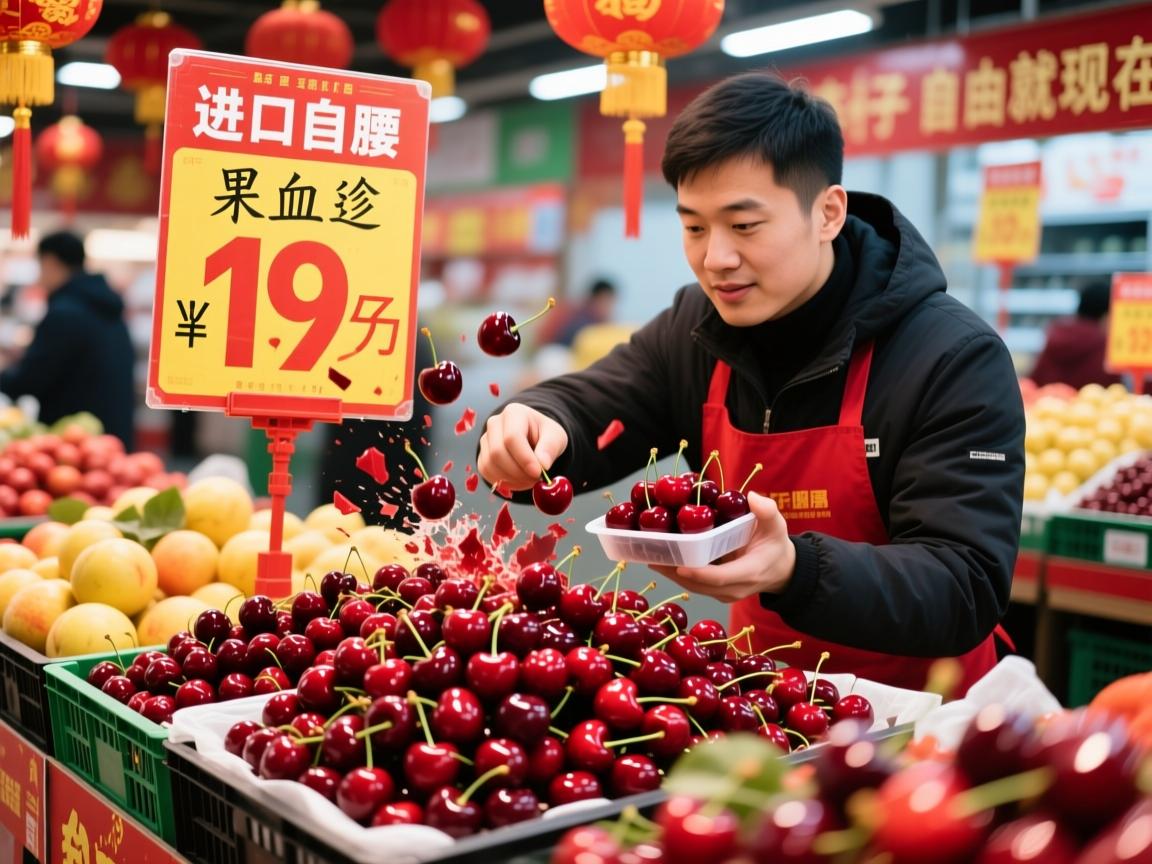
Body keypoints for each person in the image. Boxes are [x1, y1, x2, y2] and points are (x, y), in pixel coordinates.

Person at [478, 72, 1025, 696]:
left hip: (926, 722)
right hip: (767, 706)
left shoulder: (950, 356)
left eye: (743, 227)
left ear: (828, 213)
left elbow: (965, 585)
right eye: (693, 227)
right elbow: (593, 404)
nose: (716, 259)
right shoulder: (695, 329)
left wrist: (796, 568)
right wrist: (533, 427)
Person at [0, 231, 136, 449]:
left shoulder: (65, 312)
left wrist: (6, 377)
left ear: (50, 262)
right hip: (112, 437)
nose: (39, 277)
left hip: (76, 445)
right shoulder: (107, 306)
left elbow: (32, 377)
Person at [1030, 282, 1122, 390]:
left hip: (1045, 404)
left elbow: (1034, 382)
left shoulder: (1055, 336)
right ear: (1105, 315)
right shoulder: (1105, 347)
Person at [544, 278, 619, 348]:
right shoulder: (580, 321)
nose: (609, 307)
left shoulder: (599, 323)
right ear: (594, 299)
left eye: (611, 303)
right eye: (606, 302)